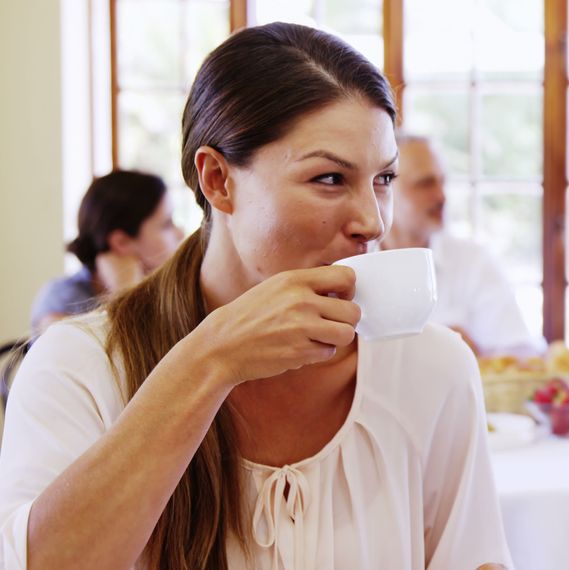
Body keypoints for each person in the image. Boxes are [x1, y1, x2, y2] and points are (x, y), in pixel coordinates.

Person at [0, 23, 510, 570]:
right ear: (218, 180)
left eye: (383, 178)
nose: (372, 221)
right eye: (330, 179)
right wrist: (211, 361)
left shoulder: (432, 368)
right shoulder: (80, 366)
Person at [379, 133, 541, 357]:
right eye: (425, 184)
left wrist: (471, 354)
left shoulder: (474, 261)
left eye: (442, 181)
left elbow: (522, 355)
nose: (441, 196)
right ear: (384, 190)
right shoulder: (353, 265)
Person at [29, 170, 182, 335]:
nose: (180, 233)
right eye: (167, 224)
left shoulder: (168, 293)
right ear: (121, 242)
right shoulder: (61, 298)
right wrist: (126, 294)